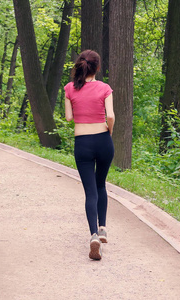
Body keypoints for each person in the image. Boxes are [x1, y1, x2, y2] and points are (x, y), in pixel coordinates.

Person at [64, 50, 115, 260]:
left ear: (79, 66)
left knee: (90, 191)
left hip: (82, 143)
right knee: (101, 184)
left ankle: (93, 234)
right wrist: (108, 131)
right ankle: (103, 227)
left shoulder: (69, 88)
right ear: (97, 68)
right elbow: (110, 115)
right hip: (103, 140)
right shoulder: (104, 88)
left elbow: (68, 118)